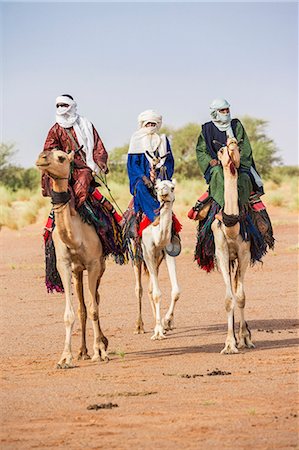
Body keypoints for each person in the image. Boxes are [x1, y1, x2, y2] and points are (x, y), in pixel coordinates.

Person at [42, 94, 121, 221]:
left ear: (72, 106)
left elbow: (97, 144)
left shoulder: (85, 125)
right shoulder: (55, 129)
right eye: (59, 106)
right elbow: (49, 149)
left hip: (83, 166)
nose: (62, 108)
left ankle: (75, 209)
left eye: (64, 105)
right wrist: (64, 157)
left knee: (83, 178)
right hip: (63, 167)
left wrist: (100, 161)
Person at [189, 98, 264, 219]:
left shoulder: (236, 125)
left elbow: (244, 146)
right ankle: (223, 207)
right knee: (218, 174)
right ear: (215, 112)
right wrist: (210, 161)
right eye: (222, 111)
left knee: (244, 177)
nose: (226, 113)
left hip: (239, 164)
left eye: (227, 110)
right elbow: (201, 150)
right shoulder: (207, 129)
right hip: (217, 165)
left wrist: (238, 161)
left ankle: (245, 204)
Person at [127, 109, 175, 228]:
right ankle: (155, 216)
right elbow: (133, 165)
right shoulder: (136, 140)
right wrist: (144, 178)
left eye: (153, 124)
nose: (151, 126)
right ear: (143, 125)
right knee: (140, 187)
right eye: (148, 124)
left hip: (161, 177)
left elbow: (169, 162)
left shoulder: (163, 140)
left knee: (167, 191)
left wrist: (160, 177)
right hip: (141, 177)